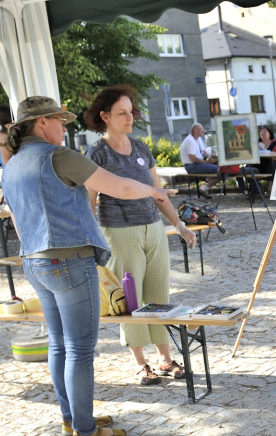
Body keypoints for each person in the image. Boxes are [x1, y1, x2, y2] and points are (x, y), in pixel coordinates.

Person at [2, 96, 170, 436]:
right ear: (41, 122)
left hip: (35, 260)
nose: (65, 127)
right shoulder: (56, 156)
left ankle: (72, 418)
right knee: (79, 348)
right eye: (59, 121)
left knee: (60, 344)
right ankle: (85, 429)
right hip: (68, 259)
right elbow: (121, 187)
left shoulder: (12, 163)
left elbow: (17, 219)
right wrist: (155, 190)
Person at [83, 85, 198, 387]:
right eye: (122, 113)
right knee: (132, 300)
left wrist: (179, 225)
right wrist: (92, 240)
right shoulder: (96, 153)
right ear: (105, 116)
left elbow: (159, 194)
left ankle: (165, 358)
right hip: (120, 234)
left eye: (131, 111)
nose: (129, 117)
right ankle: (140, 363)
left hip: (153, 230)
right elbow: (89, 202)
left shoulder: (141, 149)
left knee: (159, 296)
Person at [180, 122, 217, 198]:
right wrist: (206, 163)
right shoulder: (190, 141)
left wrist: (209, 157)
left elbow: (203, 151)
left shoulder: (198, 139)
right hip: (191, 166)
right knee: (219, 170)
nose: (203, 131)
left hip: (197, 164)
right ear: (195, 130)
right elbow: (193, 158)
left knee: (220, 169)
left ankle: (205, 185)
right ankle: (205, 187)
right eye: (201, 129)